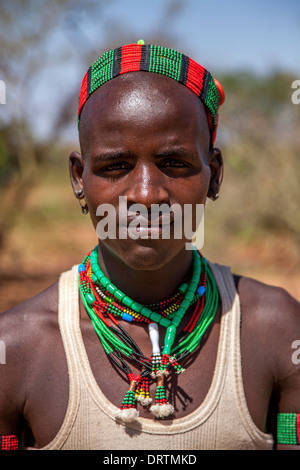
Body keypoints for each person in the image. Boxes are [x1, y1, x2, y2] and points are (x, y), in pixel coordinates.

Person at [0, 41, 299, 451]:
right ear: (78, 178)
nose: (145, 195)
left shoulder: (278, 330)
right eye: (115, 166)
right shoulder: (15, 350)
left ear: (214, 176)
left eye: (174, 163)